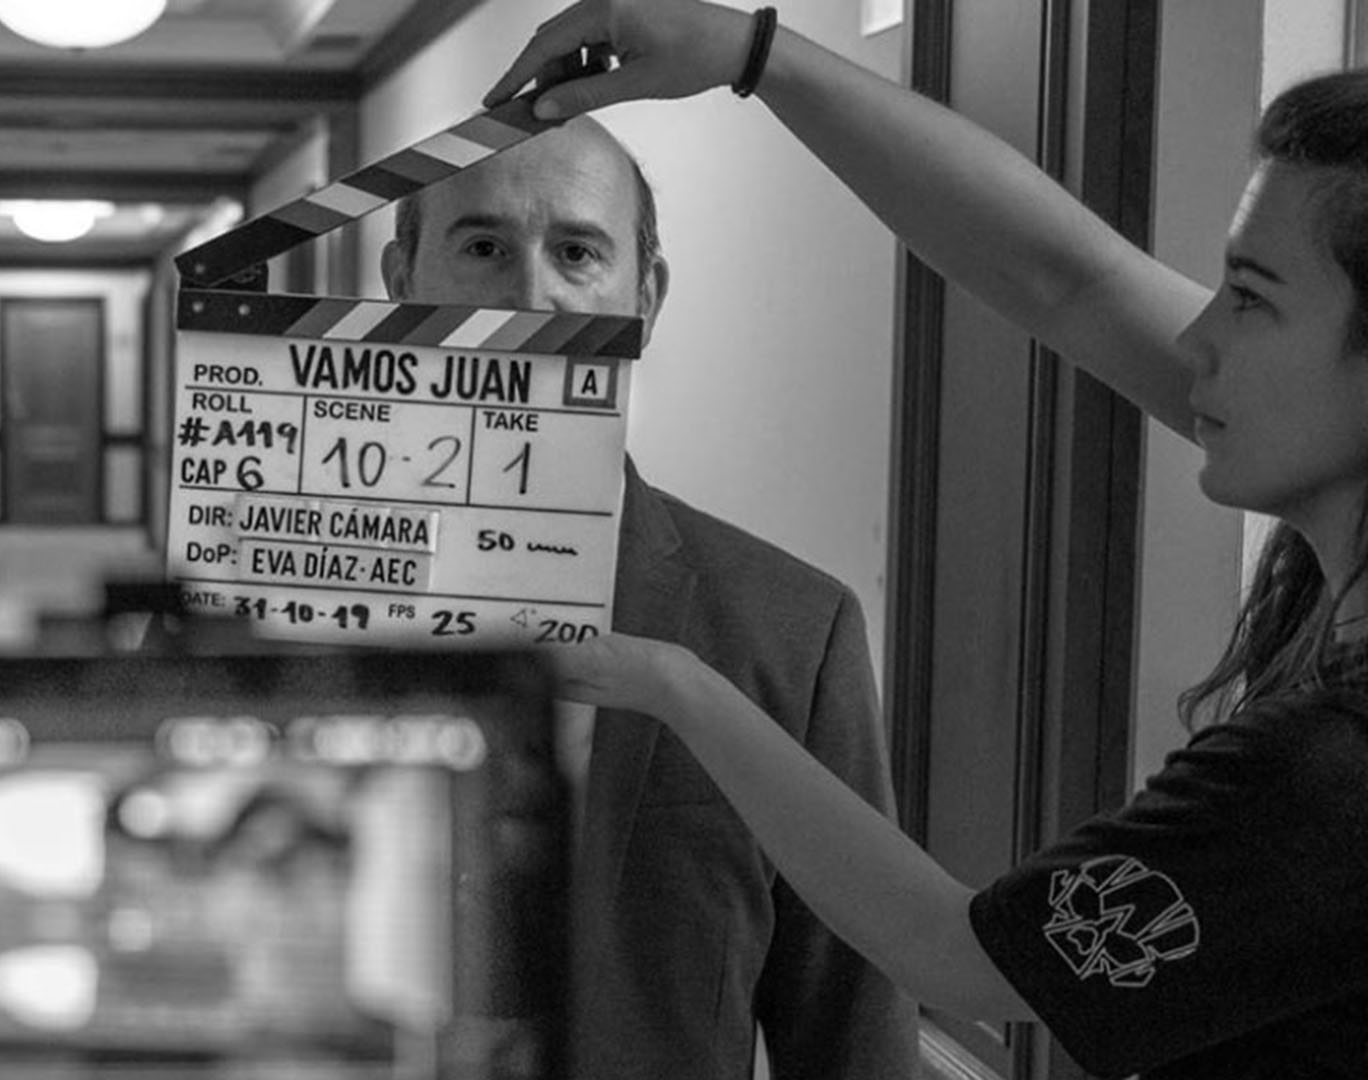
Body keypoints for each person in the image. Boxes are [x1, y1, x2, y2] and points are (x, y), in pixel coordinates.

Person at [485, 2, 1368, 1078]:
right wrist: (754, 56)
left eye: (1252, 299)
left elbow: (959, 954)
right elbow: (1066, 281)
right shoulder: (1324, 578)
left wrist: (675, 683)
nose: (1198, 336)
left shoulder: (1330, 774)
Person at [381, 110, 917, 1077]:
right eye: (484, 248)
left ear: (646, 297)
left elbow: (851, 1029)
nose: (531, 297)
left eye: (577, 253)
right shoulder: (249, 605)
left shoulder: (793, 632)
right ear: (401, 283)